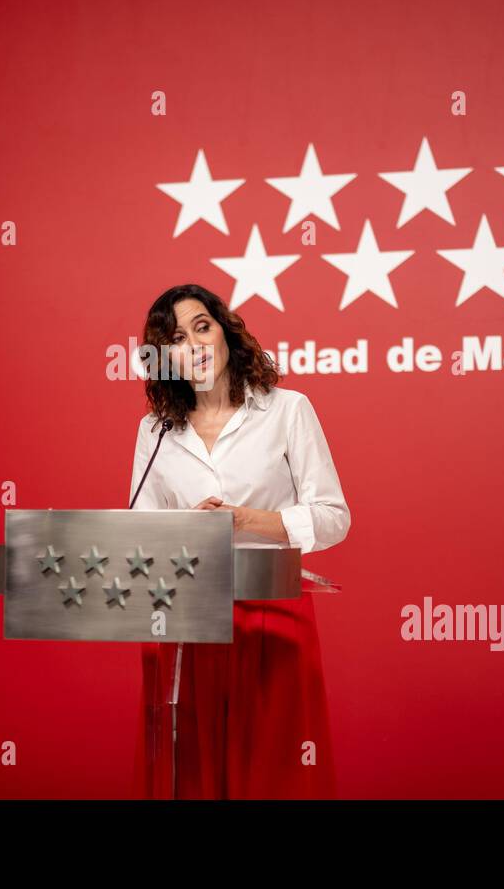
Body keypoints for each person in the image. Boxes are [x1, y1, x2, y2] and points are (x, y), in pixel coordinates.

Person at [127, 283, 350, 799]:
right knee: (191, 774)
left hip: (272, 616)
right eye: (176, 339)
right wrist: (188, 530)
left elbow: (333, 517)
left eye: (202, 327)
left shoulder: (287, 410)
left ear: (225, 332)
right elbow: (140, 536)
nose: (194, 345)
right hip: (186, 620)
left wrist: (247, 520)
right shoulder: (155, 431)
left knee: (274, 773)